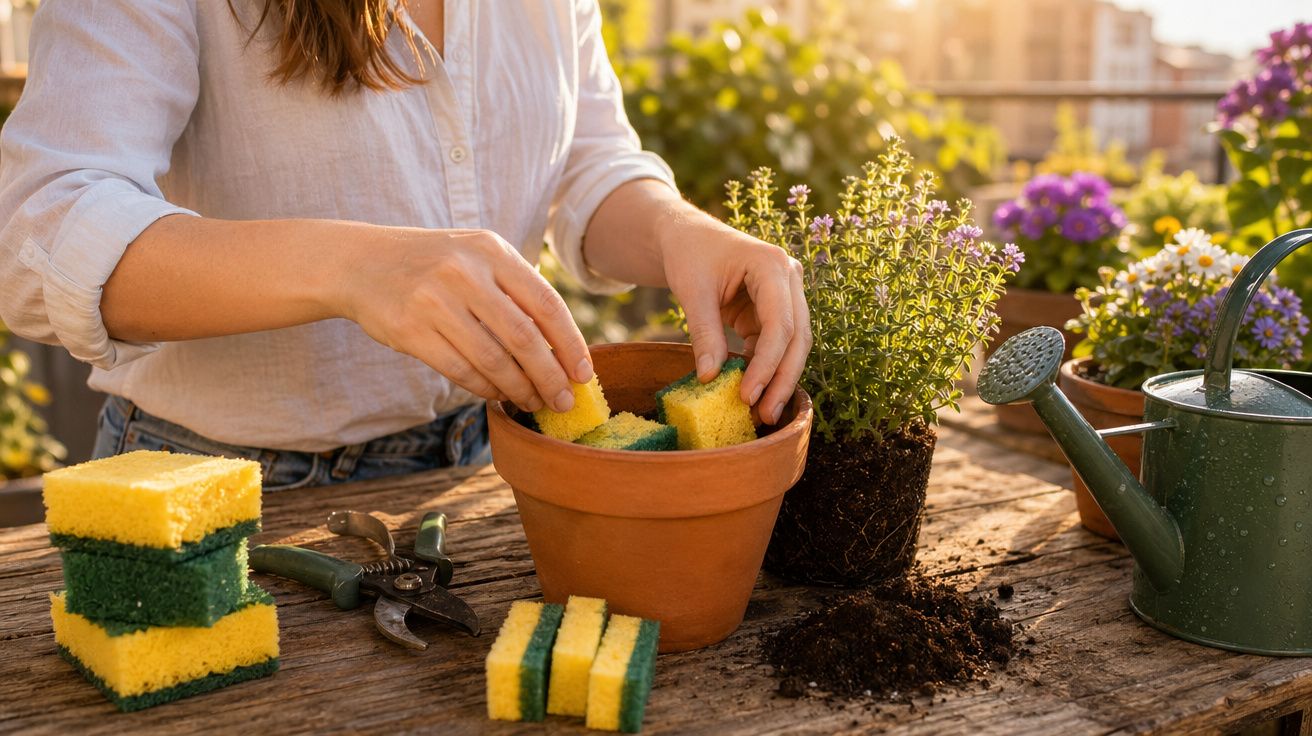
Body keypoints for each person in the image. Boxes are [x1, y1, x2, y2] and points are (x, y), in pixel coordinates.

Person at [0, 1, 810, 490]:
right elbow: (36, 232)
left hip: (487, 467)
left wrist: (677, 229)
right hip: (213, 488)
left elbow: (585, 160)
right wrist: (354, 269)